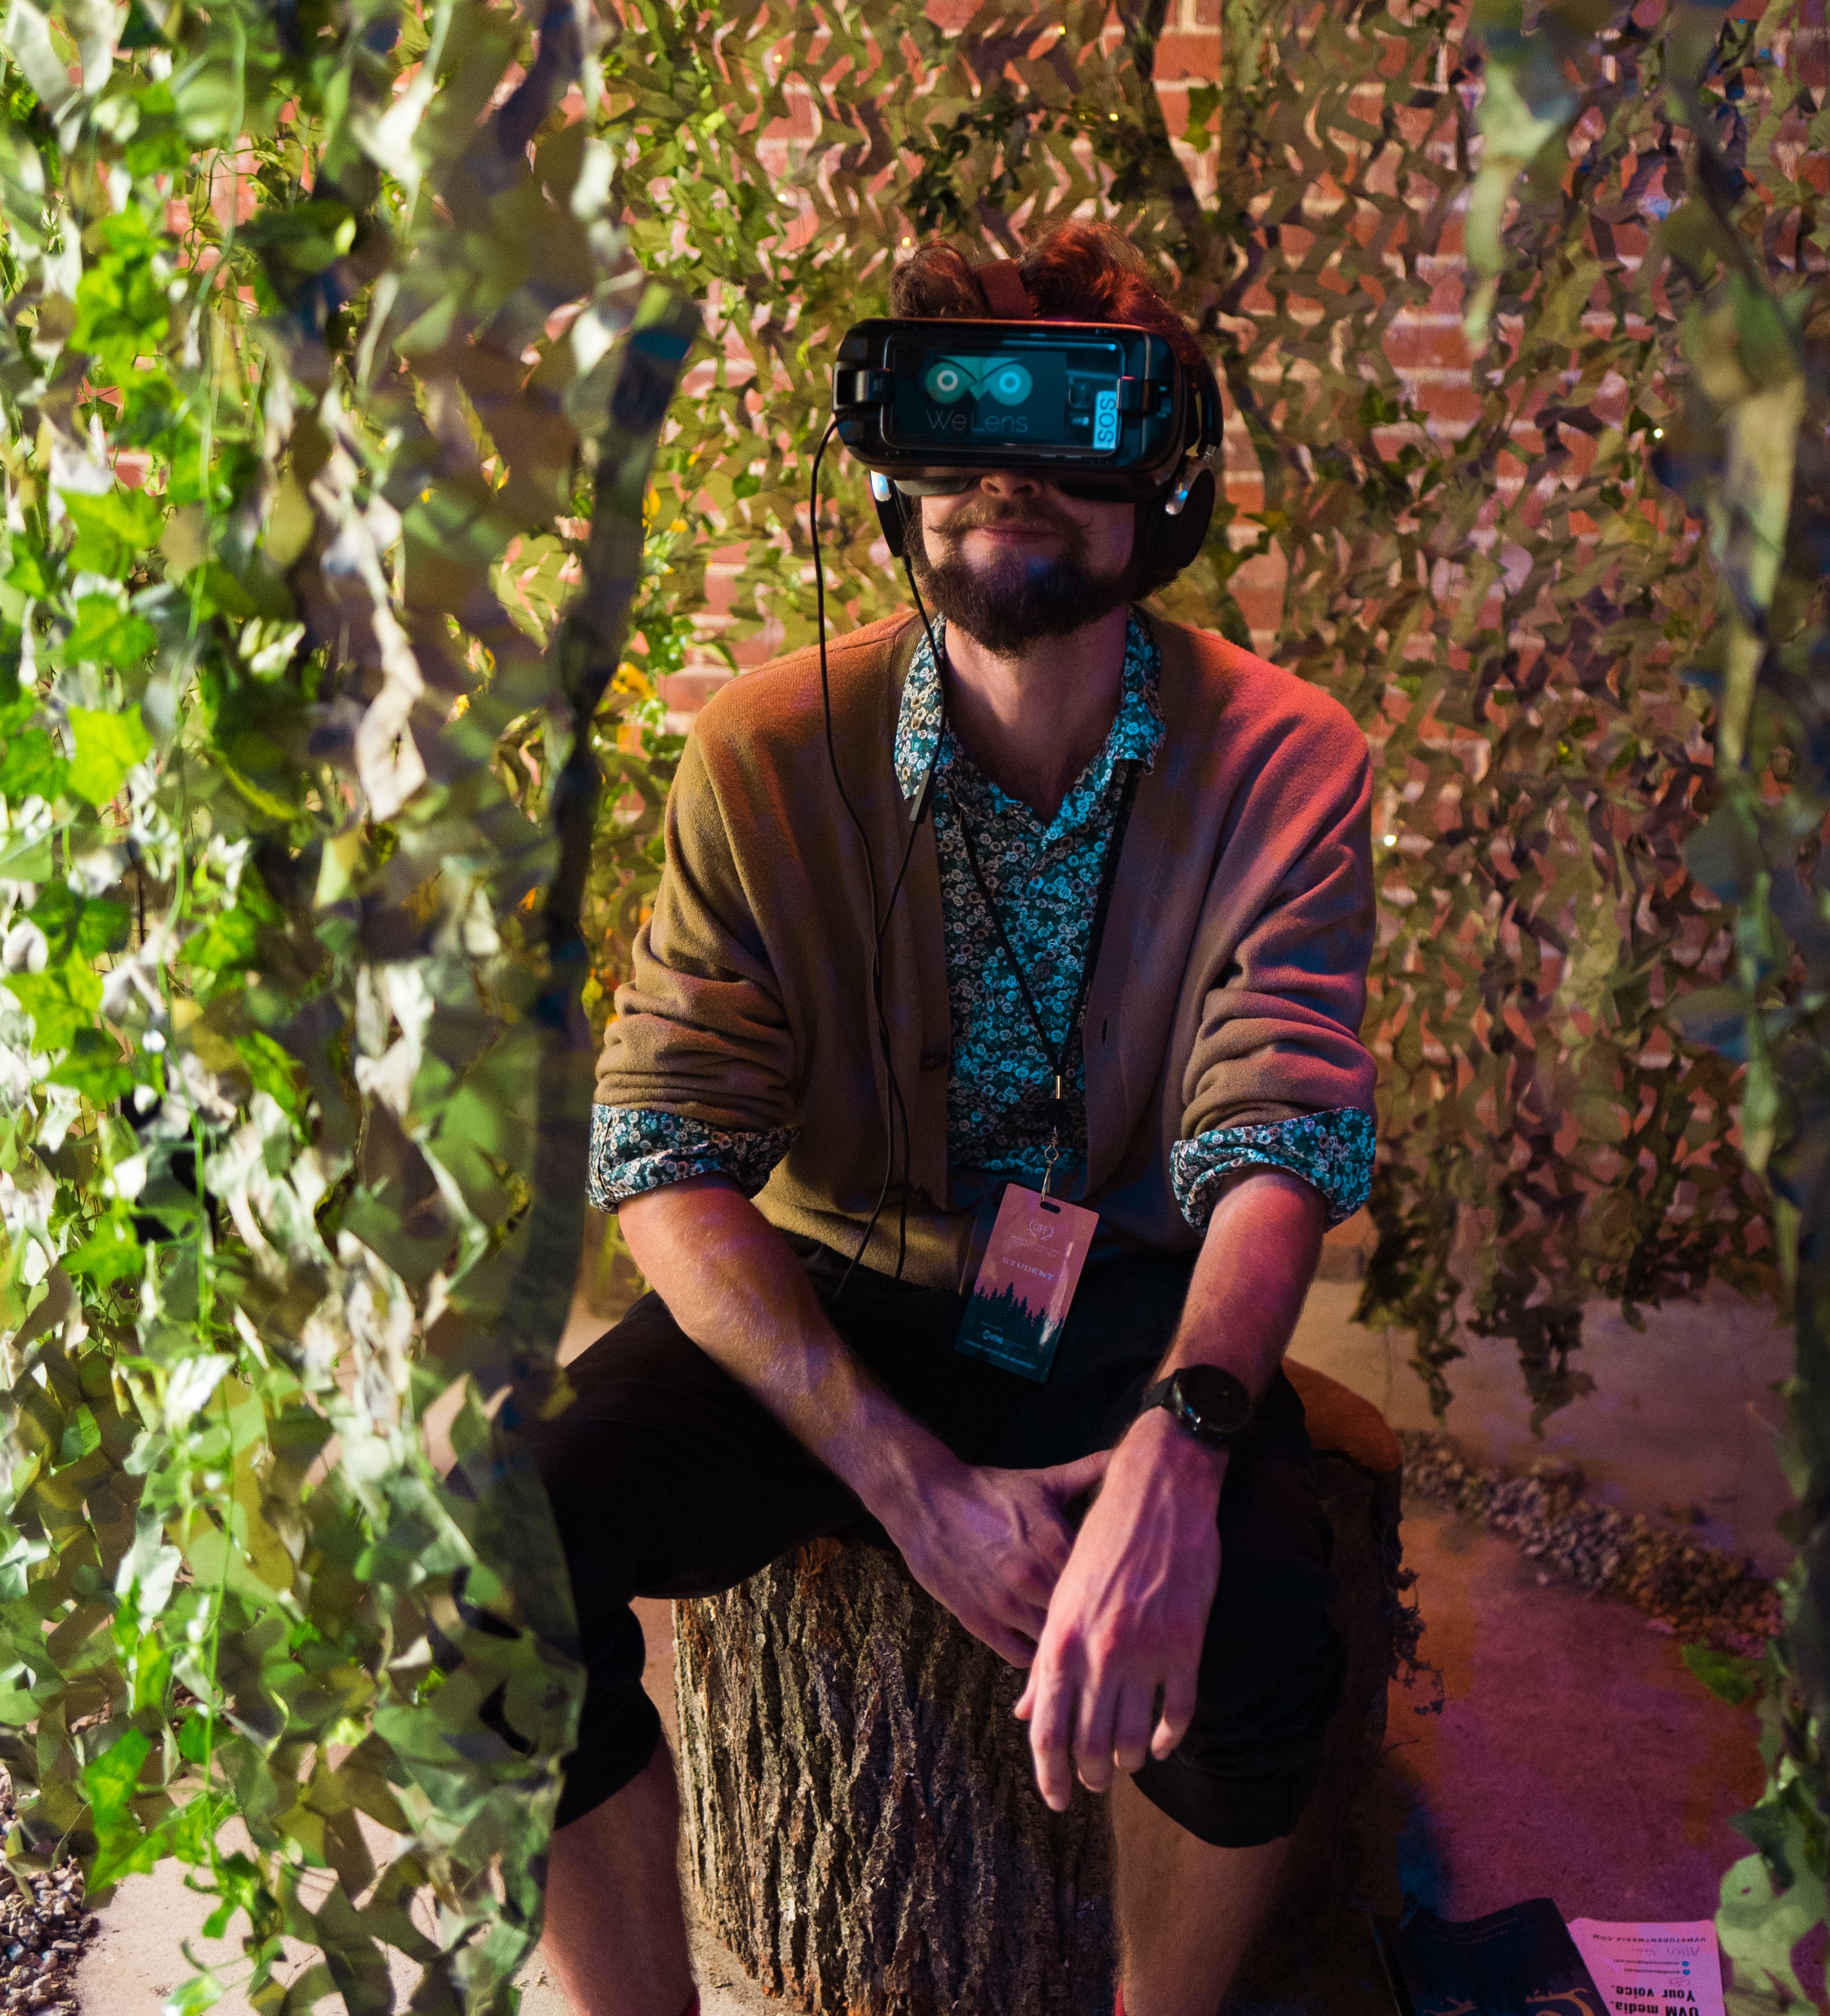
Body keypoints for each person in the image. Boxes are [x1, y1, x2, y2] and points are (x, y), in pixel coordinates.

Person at [525, 220, 1377, 2016]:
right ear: (894, 478)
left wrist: (1188, 1442)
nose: (1013, 479)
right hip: (840, 1290)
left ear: (1165, 490)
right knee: (489, 1554)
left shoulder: (1285, 755)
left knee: (1274, 1629)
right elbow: (665, 1148)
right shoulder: (760, 751)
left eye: (1073, 436)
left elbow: (1277, 1134)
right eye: (964, 431)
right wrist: (901, 1477)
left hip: (1127, 1304)